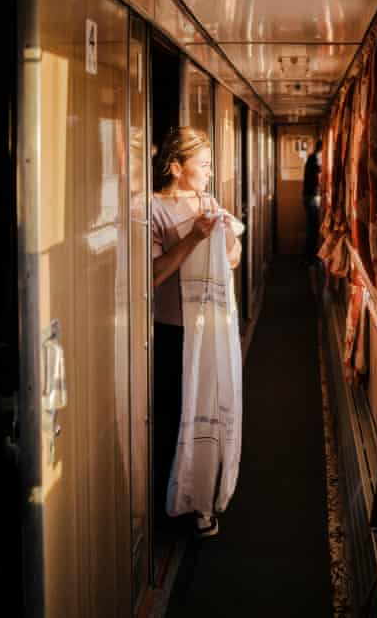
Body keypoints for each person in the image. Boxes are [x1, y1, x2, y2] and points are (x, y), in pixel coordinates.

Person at [151, 126, 241, 539]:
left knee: (210, 413)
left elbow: (233, 260)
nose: (209, 173)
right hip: (172, 330)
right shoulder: (151, 208)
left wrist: (225, 238)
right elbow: (152, 275)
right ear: (175, 167)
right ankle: (169, 505)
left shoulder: (208, 201)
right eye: (203, 166)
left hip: (210, 329)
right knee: (173, 417)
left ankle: (201, 498)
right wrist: (194, 237)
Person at [301, 138, 323, 266]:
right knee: (313, 229)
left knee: (312, 228)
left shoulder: (312, 159)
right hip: (311, 198)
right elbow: (319, 177)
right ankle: (310, 258)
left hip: (309, 197)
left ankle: (310, 257)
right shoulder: (314, 160)